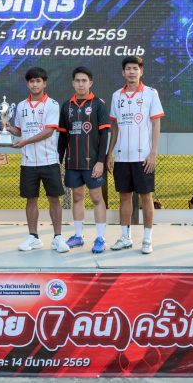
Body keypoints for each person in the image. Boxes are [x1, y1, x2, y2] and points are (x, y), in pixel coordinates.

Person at [5, 67, 69, 253]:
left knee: (54, 199)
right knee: (31, 200)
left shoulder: (52, 104)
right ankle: (33, 237)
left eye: (38, 81)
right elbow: (20, 130)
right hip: (28, 162)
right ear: (27, 84)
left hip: (49, 160)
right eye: (31, 81)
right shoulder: (21, 106)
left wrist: (25, 141)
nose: (35, 84)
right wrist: (8, 128)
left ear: (44, 83)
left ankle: (57, 237)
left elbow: (49, 131)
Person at [107, 55, 164, 254]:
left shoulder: (150, 94)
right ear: (123, 73)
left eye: (135, 68)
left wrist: (153, 153)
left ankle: (147, 239)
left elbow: (156, 123)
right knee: (124, 197)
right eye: (128, 69)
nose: (132, 72)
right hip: (122, 157)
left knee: (146, 197)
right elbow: (114, 127)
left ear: (141, 71)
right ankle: (125, 237)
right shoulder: (117, 96)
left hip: (143, 157)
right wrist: (109, 153)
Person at [57, 66, 111, 253]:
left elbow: (104, 135)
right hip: (73, 162)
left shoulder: (98, 104)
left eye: (84, 81)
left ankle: (100, 238)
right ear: (73, 83)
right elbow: (63, 136)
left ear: (90, 83)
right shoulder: (67, 106)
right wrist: (59, 159)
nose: (80, 84)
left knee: (97, 198)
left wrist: (101, 161)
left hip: (93, 163)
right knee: (77, 198)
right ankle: (78, 236)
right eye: (77, 81)